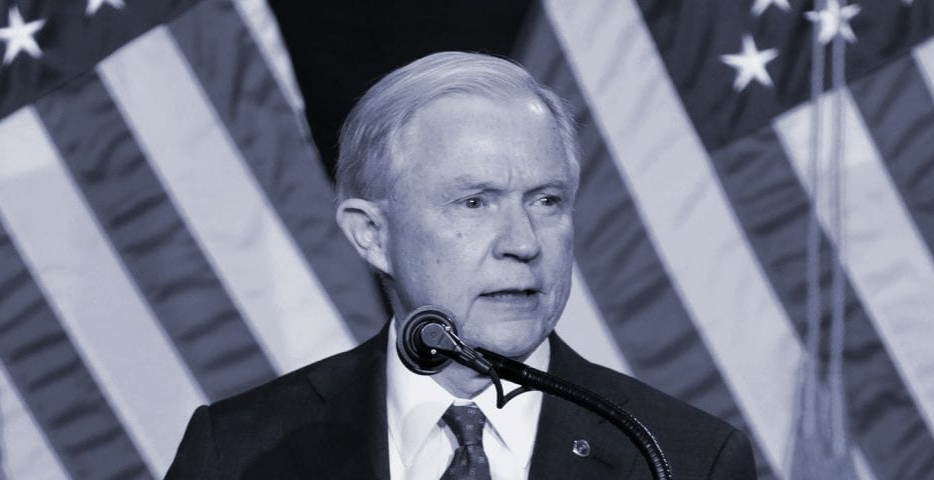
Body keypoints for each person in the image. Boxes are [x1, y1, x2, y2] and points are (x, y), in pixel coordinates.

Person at [166, 51, 756, 479]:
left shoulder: (681, 456)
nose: (522, 243)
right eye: (473, 202)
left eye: (546, 201)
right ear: (371, 234)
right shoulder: (239, 451)